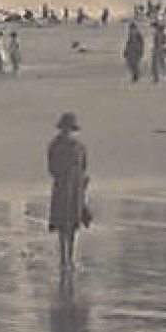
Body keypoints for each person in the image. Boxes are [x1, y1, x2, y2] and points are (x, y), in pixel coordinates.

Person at [48, 113, 91, 271]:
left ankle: (70, 257)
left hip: (76, 188)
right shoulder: (55, 145)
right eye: (65, 128)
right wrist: (64, 176)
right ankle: (64, 257)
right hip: (62, 187)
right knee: (62, 224)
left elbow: (84, 167)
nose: (67, 132)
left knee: (73, 224)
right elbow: (51, 168)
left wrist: (82, 184)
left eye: (70, 129)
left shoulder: (80, 147)